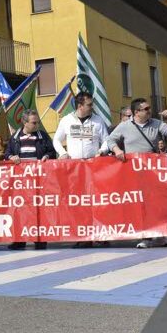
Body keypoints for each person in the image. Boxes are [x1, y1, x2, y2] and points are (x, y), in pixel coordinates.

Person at [107, 98, 167, 248]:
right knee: (141, 205)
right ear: (136, 112)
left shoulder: (156, 123)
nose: (149, 111)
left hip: (153, 170)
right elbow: (110, 140)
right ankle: (146, 237)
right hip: (134, 173)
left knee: (157, 204)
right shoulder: (124, 126)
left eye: (149, 108)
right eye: (145, 109)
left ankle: (160, 236)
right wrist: (117, 150)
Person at [53, 92, 108, 247]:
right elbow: (56, 139)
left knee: (97, 201)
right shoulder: (66, 120)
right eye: (89, 104)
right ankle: (82, 236)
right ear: (80, 106)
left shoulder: (98, 121)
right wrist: (63, 153)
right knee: (79, 202)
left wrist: (102, 152)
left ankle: (101, 234)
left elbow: (106, 140)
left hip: (94, 167)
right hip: (75, 169)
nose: (92, 107)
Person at [5, 109, 56, 250]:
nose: (37, 125)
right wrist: (11, 157)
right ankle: (19, 241)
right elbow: (7, 153)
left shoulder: (43, 136)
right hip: (20, 181)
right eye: (34, 123)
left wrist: (47, 156)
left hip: (39, 180)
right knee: (19, 210)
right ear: (24, 122)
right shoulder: (15, 137)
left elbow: (52, 152)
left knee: (39, 210)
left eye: (37, 122)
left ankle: (39, 240)